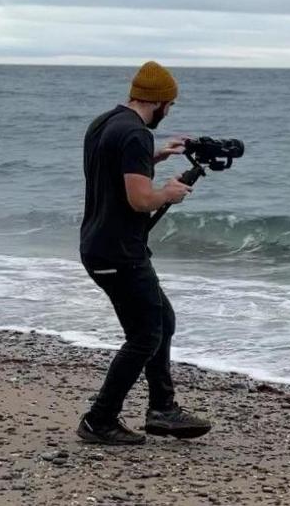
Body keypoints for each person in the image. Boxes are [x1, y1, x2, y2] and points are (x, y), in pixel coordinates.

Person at [76, 60, 212, 445]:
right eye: (170, 104)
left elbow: (111, 166)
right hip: (119, 252)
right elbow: (139, 200)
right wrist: (168, 193)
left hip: (100, 245)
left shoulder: (105, 123)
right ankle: (99, 419)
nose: (169, 111)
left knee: (161, 321)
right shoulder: (134, 134)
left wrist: (154, 157)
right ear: (161, 101)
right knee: (145, 336)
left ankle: (162, 409)